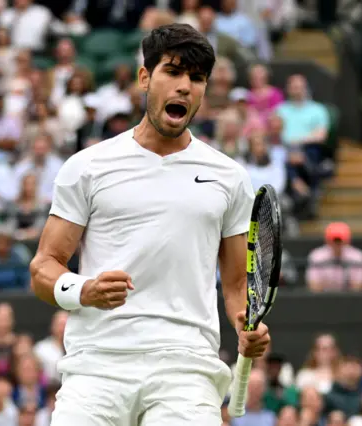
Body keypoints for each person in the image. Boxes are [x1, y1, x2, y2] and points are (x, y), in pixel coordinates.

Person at [29, 23, 270, 426]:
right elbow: (43, 267)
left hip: (185, 369)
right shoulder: (87, 167)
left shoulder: (229, 178)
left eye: (196, 78)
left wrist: (247, 323)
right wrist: (85, 290)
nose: (184, 87)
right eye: (173, 73)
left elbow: (234, 286)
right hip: (97, 367)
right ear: (145, 78)